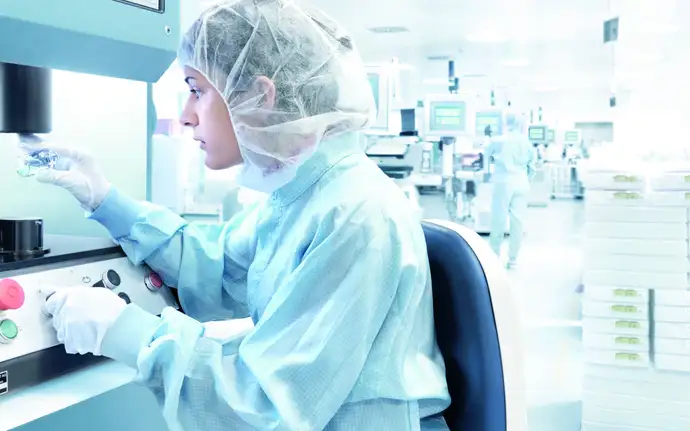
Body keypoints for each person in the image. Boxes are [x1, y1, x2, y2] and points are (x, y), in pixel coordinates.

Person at [32, 1, 451, 430]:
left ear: (259, 96)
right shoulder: (300, 194)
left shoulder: (356, 217)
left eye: (196, 90)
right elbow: (215, 269)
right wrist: (105, 201)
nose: (185, 115)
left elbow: (265, 405)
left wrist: (123, 331)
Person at [484, 112, 535, 269]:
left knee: (498, 219)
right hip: (521, 181)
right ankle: (513, 259)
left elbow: (486, 158)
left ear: (506, 123)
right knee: (518, 222)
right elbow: (532, 166)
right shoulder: (526, 142)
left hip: (503, 181)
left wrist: (487, 175)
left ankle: (494, 256)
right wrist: (527, 179)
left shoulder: (497, 141)